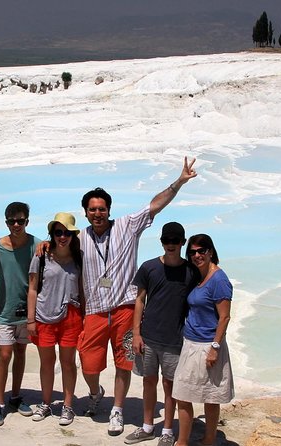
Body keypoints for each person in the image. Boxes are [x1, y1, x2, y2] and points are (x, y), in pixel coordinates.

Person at [77, 156, 197, 437]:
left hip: (125, 309)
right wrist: (43, 244)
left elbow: (155, 204)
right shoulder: (79, 237)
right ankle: (95, 392)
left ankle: (117, 410)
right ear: (85, 212)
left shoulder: (127, 226)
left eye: (102, 208)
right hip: (95, 310)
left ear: (109, 210)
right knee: (88, 363)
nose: (98, 213)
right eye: (93, 209)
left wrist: (179, 181)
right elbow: (54, 245)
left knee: (124, 362)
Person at [124, 222, 198, 446]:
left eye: (176, 241)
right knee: (148, 382)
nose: (171, 245)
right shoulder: (149, 267)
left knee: (169, 386)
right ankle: (147, 427)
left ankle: (167, 430)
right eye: (167, 240)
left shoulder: (190, 271)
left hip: (175, 340)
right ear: (162, 242)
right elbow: (139, 300)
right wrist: (136, 334)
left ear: (183, 243)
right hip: (148, 337)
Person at [172, 234, 234, 446]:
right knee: (184, 393)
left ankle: (201, 441)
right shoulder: (199, 275)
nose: (197, 255)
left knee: (208, 396)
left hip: (207, 345)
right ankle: (188, 440)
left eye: (201, 251)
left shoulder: (219, 279)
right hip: (191, 343)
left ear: (210, 252)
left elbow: (224, 317)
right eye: (192, 252)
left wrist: (215, 347)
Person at [27, 212, 84, 426]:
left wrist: (86, 318)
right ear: (52, 234)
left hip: (71, 316)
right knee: (47, 363)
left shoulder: (79, 258)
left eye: (67, 232)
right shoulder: (41, 256)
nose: (62, 236)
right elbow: (32, 289)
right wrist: (31, 320)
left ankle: (68, 406)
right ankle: (46, 403)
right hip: (43, 316)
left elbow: (82, 290)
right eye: (58, 232)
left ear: (72, 234)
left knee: (68, 363)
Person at [0, 202, 39, 426]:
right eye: (12, 221)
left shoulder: (37, 246)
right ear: (6, 221)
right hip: (4, 311)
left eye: (21, 220)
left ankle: (16, 396)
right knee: (4, 355)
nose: (16, 225)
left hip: (27, 312)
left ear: (27, 221)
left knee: (20, 353)